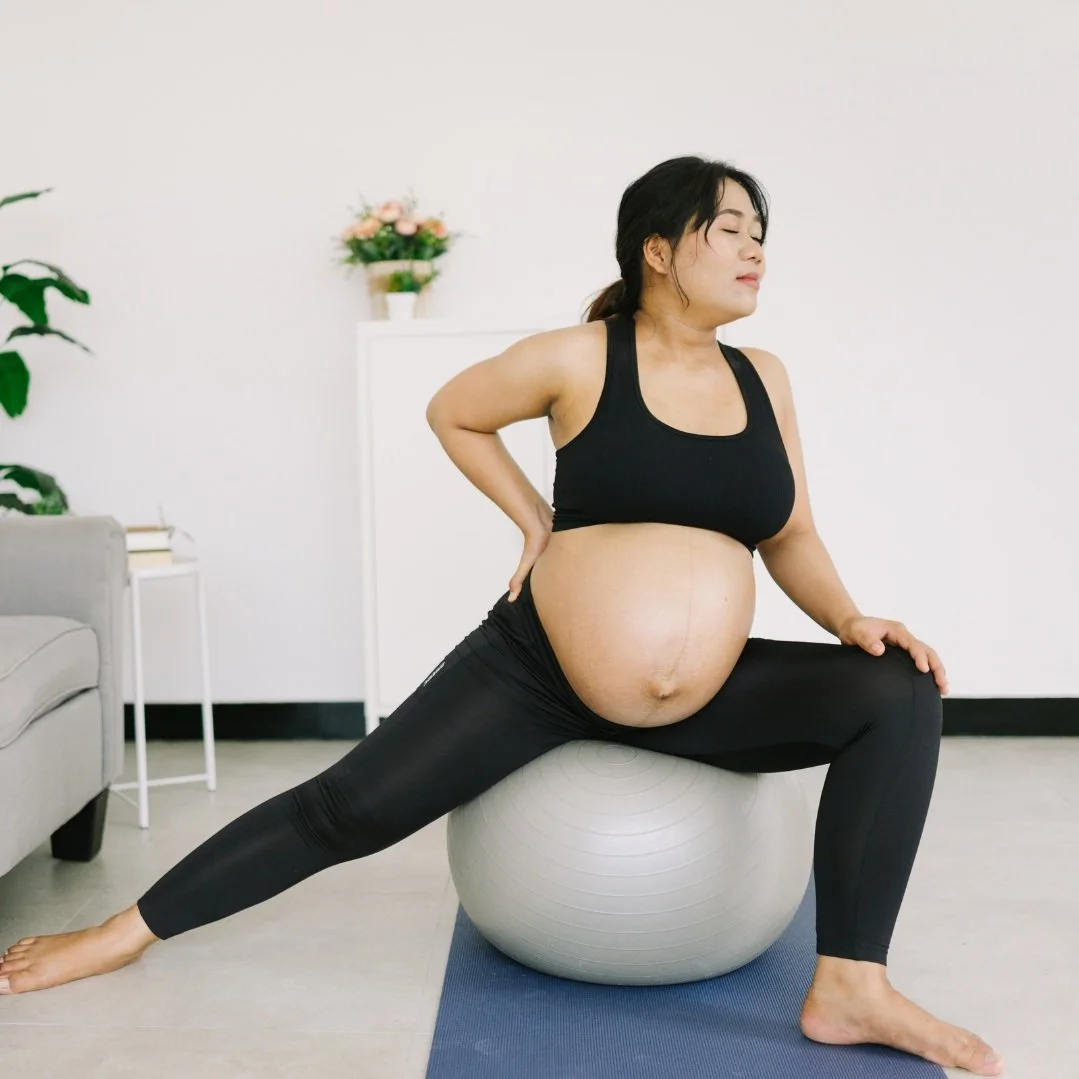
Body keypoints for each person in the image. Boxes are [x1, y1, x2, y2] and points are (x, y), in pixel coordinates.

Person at [0, 155, 1003, 1075]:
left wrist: (850, 619)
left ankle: (849, 984)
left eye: (758, 232)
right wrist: (533, 519)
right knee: (347, 805)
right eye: (731, 228)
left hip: (704, 691)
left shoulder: (761, 376)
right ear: (659, 250)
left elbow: (787, 532)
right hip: (537, 673)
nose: (755, 249)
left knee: (896, 687)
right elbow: (453, 407)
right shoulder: (578, 356)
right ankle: (119, 931)